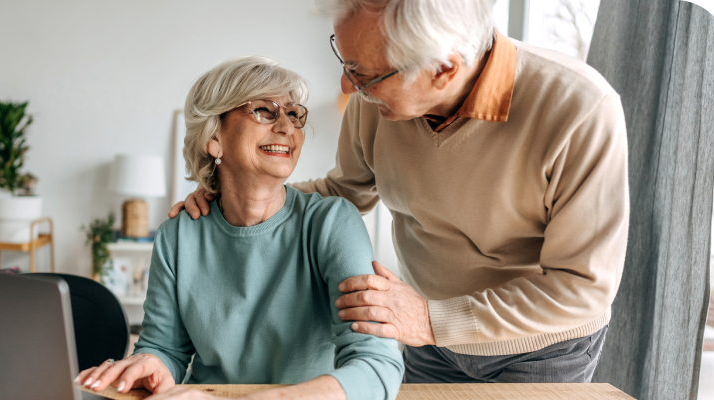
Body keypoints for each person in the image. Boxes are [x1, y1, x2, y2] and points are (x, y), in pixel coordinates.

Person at [171, 0, 629, 384]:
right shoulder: (375, 102)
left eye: (365, 74)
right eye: (346, 62)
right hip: (424, 334)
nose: (349, 86)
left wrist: (431, 319)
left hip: (538, 349)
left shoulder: (581, 112)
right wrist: (231, 199)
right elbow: (344, 189)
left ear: (443, 70)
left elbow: (580, 288)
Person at [78, 56, 403, 400]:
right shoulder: (179, 234)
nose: (287, 127)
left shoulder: (332, 222)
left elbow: (376, 364)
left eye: (294, 114)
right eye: (264, 110)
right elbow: (165, 348)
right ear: (214, 137)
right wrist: (148, 363)